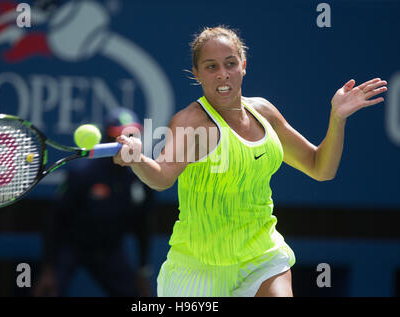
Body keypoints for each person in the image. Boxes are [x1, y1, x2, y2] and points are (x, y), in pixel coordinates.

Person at [112, 26, 388, 297]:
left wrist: (337, 118)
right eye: (211, 67)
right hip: (198, 267)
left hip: (261, 255)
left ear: (243, 65)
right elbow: (161, 177)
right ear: (197, 74)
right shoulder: (191, 122)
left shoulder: (264, 112)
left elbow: (320, 168)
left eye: (230, 63)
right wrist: (139, 160)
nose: (223, 74)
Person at [33, 107, 155, 297]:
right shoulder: (82, 173)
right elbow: (54, 219)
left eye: (133, 135)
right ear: (108, 137)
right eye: (121, 136)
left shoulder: (141, 179)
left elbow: (143, 226)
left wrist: (142, 271)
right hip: (72, 246)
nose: (128, 141)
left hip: (110, 250)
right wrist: (49, 269)